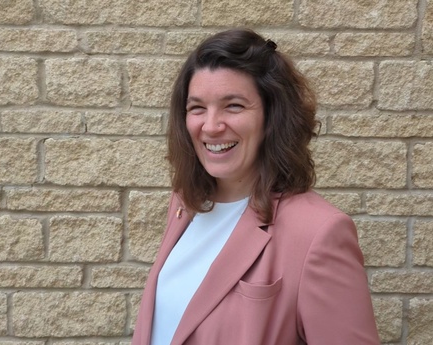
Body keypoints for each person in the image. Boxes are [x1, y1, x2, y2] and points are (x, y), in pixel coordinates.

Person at [132, 29, 380, 345]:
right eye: (197, 108)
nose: (211, 125)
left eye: (233, 106)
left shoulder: (318, 233)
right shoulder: (185, 205)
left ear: (272, 117)